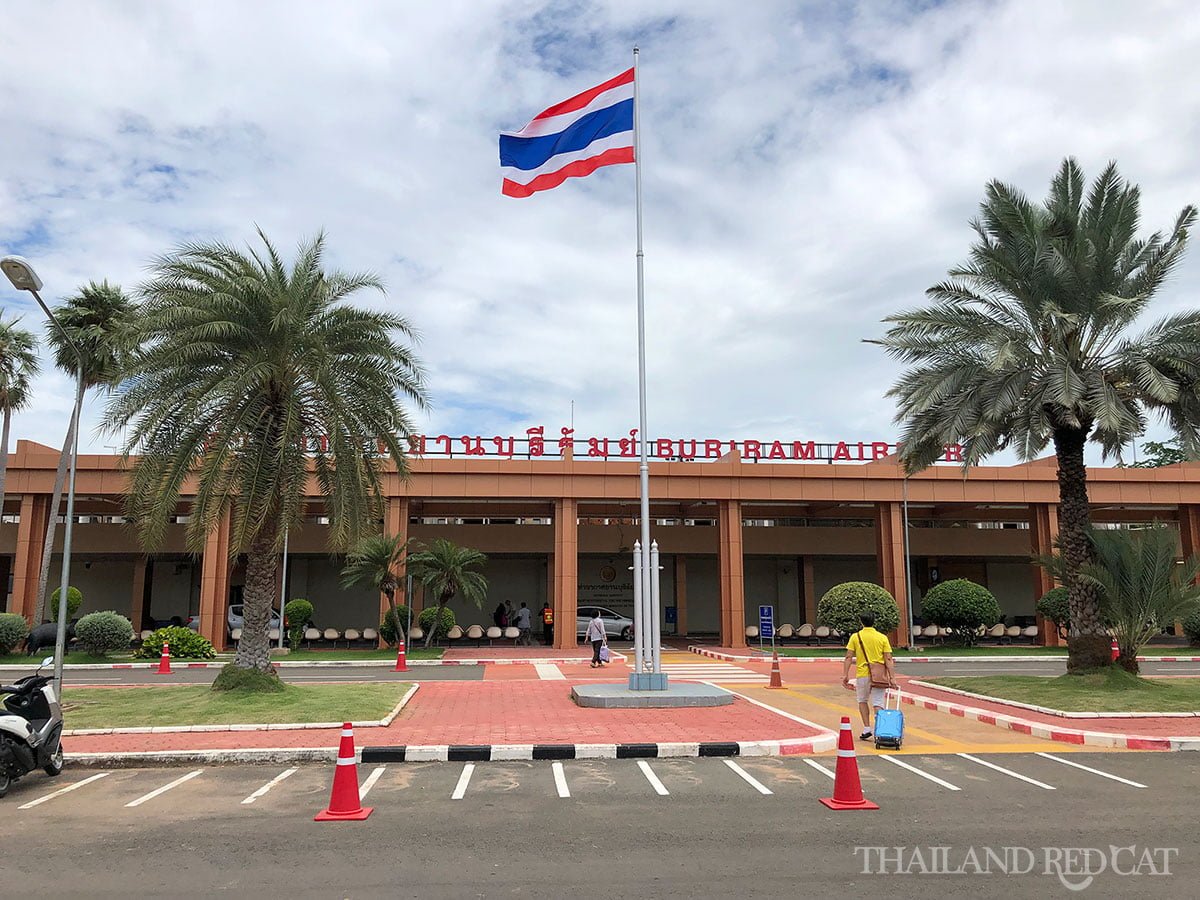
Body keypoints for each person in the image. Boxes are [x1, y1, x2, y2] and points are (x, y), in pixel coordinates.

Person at [841, 611, 897, 740]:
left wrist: (845, 675)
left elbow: (849, 656)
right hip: (879, 675)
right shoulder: (882, 637)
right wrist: (892, 677)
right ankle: (880, 730)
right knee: (878, 703)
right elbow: (888, 658)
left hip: (863, 673)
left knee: (862, 700)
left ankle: (867, 728)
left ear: (861, 622)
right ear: (874, 621)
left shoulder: (856, 637)